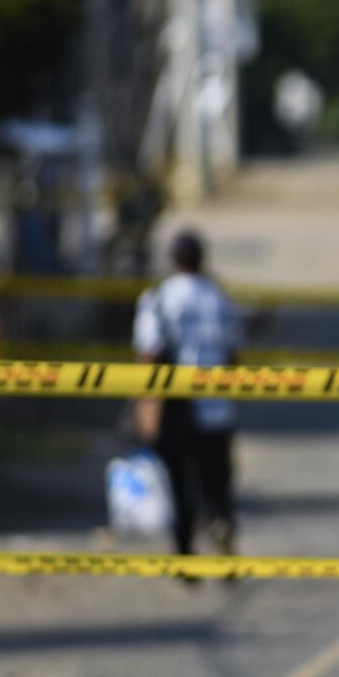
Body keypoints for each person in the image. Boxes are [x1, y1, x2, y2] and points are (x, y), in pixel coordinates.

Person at [133, 230, 240, 557]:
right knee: (216, 482)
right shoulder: (217, 296)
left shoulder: (158, 298)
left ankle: (185, 553)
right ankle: (219, 525)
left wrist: (145, 406)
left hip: (176, 408)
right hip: (216, 407)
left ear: (173, 260)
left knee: (179, 484)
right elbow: (233, 351)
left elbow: (149, 354)